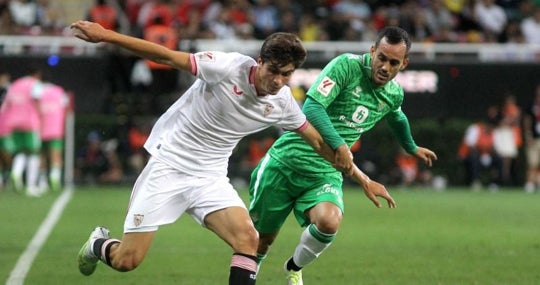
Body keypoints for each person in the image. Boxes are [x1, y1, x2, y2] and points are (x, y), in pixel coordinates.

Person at [70, 20, 360, 285]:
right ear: (260, 62)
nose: (278, 81)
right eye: (273, 71)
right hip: (169, 166)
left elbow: (319, 143)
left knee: (249, 239)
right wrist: (106, 35)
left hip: (209, 177)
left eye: (286, 75)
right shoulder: (226, 67)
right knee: (127, 261)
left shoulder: (282, 102)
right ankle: (99, 243)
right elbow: (165, 56)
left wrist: (361, 177)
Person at [248, 26, 437, 284]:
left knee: (329, 221)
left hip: (325, 170)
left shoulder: (393, 93)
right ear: (372, 51)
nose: (385, 67)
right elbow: (313, 107)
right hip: (286, 162)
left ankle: (293, 268)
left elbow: (397, 117)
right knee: (260, 242)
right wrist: (340, 145)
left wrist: (411, 146)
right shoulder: (346, 66)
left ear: (404, 64)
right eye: (381, 57)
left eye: (393, 62)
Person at [1, 67, 44, 196]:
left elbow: (6, 105)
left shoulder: (14, 85)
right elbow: (37, 100)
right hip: (29, 122)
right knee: (34, 153)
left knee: (20, 151)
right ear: (37, 74)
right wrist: (41, 116)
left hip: (14, 122)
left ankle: (16, 172)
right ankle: (31, 186)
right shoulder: (35, 84)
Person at [38, 81, 70, 191]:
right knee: (56, 154)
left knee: (41, 155)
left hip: (40, 128)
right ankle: (54, 177)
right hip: (56, 128)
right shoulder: (59, 91)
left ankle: (42, 181)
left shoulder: (38, 90)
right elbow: (66, 109)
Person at [523, 84, 540, 193]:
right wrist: (528, 134)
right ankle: (530, 183)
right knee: (532, 162)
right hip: (534, 138)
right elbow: (527, 121)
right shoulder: (531, 106)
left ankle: (537, 182)